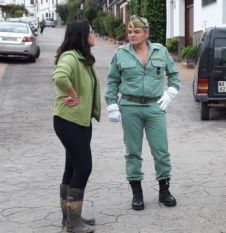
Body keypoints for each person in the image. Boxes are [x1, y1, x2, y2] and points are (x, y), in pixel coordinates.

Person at [105, 15, 180, 211]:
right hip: (130, 107)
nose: (132, 35)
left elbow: (174, 74)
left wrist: (171, 92)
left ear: (146, 33)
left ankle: (164, 191)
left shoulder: (161, 52)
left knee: (161, 150)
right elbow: (112, 81)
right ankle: (137, 194)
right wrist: (111, 104)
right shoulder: (120, 54)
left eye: (137, 31)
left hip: (155, 107)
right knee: (133, 152)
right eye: (129, 32)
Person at [52, 20, 99, 233]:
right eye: (91, 31)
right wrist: (73, 95)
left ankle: (70, 217)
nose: (94, 33)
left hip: (78, 121)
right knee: (84, 167)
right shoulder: (70, 57)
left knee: (71, 167)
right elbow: (60, 77)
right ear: (82, 35)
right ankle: (73, 223)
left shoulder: (81, 58)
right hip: (70, 122)